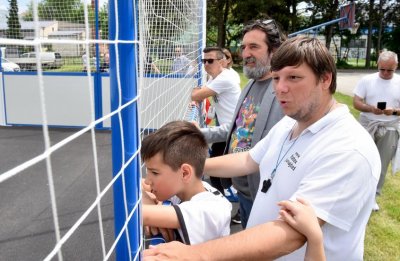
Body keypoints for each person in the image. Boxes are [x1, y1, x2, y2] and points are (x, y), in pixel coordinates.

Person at [143, 36, 381, 260]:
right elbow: (249, 160)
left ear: (325, 79)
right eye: (276, 78)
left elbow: (291, 234)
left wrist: (196, 254)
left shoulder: (348, 149)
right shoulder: (291, 123)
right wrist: (176, 169)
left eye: (294, 78)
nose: (280, 88)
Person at [199, 19, 286, 227]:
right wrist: (200, 134)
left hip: (264, 198)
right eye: (244, 47)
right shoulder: (250, 86)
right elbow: (235, 130)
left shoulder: (283, 93)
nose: (245, 53)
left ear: (274, 50)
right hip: (243, 191)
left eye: (254, 47)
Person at [141, 120, 231, 245]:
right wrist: (145, 197)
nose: (147, 180)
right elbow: (138, 185)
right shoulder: (187, 188)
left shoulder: (208, 210)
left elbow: (139, 213)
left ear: (185, 173)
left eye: (155, 173)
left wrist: (146, 204)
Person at [353, 50, 400, 211]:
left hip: (390, 128)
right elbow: (356, 102)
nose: (386, 73)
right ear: (378, 65)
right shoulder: (367, 80)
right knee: (360, 160)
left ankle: (373, 196)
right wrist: (370, 108)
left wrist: (393, 111)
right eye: (382, 69)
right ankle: (355, 194)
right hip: (368, 124)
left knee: (381, 163)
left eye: (390, 70)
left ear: (396, 66)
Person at [191, 47, 241, 194]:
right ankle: (224, 196)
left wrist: (196, 93)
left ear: (222, 62)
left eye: (210, 61)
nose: (206, 64)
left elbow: (196, 95)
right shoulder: (216, 77)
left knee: (223, 169)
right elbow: (200, 92)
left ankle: (229, 201)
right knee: (217, 168)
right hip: (229, 127)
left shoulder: (225, 78)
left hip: (234, 130)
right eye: (204, 61)